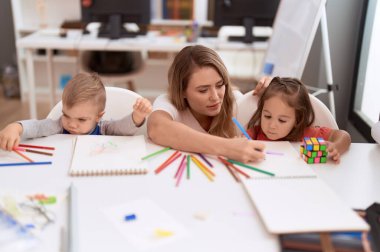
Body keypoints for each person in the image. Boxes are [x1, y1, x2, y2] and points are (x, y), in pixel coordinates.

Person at [147, 45, 269, 163]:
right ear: (182, 90)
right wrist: (228, 147)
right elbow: (156, 127)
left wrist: (275, 94)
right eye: (203, 90)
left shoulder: (234, 100)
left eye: (220, 85)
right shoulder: (168, 102)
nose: (215, 97)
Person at [0, 72, 152, 151]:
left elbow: (121, 129)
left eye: (81, 120)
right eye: (66, 115)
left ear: (98, 117)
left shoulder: (104, 128)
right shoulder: (59, 126)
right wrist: (15, 127)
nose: (71, 124)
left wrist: (137, 116)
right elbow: (37, 127)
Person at [246, 77, 351, 163]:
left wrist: (336, 146)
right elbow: (241, 144)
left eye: (282, 120)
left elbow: (344, 136)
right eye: (267, 116)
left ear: (298, 119)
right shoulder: (255, 133)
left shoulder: (308, 134)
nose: (272, 125)